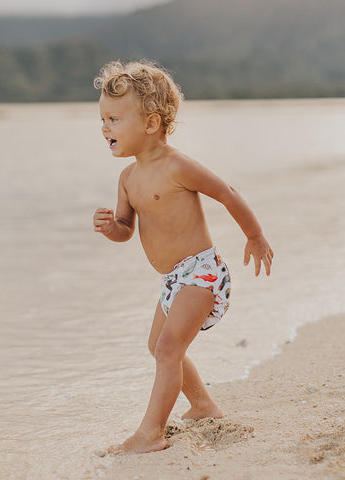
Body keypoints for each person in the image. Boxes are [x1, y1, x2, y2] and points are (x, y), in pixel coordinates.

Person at [92, 60, 273, 455]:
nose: (104, 127)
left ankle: (151, 432)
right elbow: (125, 229)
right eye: (103, 118)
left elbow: (226, 192)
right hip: (173, 278)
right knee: (158, 346)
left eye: (114, 119)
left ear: (151, 123)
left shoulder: (177, 166)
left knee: (169, 350)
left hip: (202, 273)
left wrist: (255, 236)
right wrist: (111, 229)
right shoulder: (127, 179)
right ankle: (203, 405)